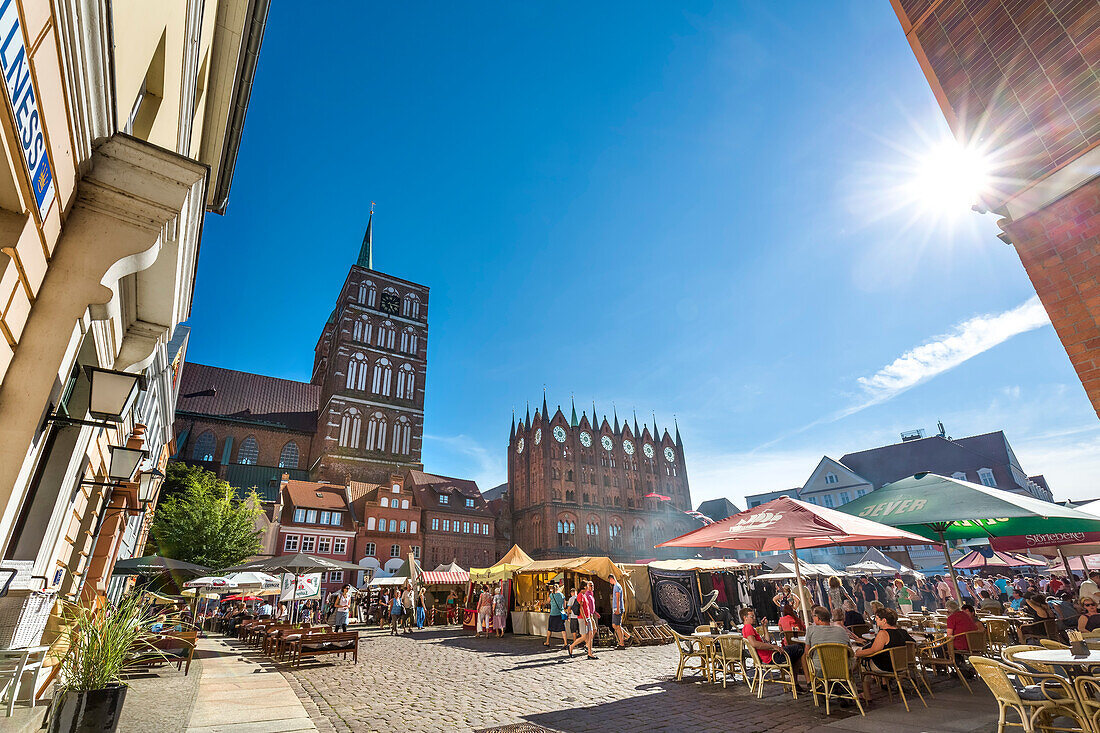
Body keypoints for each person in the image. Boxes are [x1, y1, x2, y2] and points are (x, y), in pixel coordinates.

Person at [854, 607, 914, 705]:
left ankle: (867, 695)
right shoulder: (902, 632)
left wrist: (858, 653)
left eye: (877, 618)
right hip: (900, 665)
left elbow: (874, 650)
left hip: (885, 666)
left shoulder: (883, 633)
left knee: (862, 665)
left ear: (884, 621)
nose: (875, 620)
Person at [740, 607, 804, 690]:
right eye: (752, 617)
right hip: (772, 658)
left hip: (770, 656)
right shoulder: (748, 627)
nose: (754, 618)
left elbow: (767, 641)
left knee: (797, 652)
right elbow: (754, 643)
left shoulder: (748, 628)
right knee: (800, 648)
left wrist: (764, 627)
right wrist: (774, 647)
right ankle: (801, 682)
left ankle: (795, 683)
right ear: (745, 618)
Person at [805, 606, 856, 680]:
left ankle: (813, 683)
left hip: (821, 670)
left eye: (813, 616)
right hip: (844, 669)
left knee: (805, 656)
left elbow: (807, 653)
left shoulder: (810, 630)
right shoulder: (841, 630)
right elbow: (850, 652)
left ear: (817, 618)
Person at [568, 580, 598, 659]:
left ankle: (590, 654)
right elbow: (581, 608)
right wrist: (585, 619)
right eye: (588, 585)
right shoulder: (580, 595)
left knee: (590, 634)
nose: (589, 587)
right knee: (584, 637)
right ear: (585, 587)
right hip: (582, 618)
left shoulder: (584, 595)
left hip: (587, 617)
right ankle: (571, 646)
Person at [609, 573, 631, 649]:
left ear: (611, 579)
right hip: (616, 608)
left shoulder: (617, 587)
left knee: (617, 626)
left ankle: (621, 644)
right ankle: (628, 636)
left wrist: (618, 609)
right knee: (615, 625)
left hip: (618, 608)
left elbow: (618, 599)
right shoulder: (616, 586)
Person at [544, 580, 568, 648]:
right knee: (563, 629)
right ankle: (565, 643)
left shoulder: (551, 595)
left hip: (553, 614)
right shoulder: (562, 595)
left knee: (550, 629)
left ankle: (547, 642)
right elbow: (564, 605)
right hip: (560, 614)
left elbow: (547, 601)